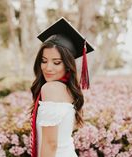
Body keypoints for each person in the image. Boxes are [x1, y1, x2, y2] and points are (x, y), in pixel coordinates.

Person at [30, 17, 94, 157]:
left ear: (67, 64)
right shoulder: (68, 89)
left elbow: (50, 143)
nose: (48, 68)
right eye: (44, 61)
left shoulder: (51, 89)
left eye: (57, 62)